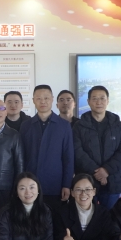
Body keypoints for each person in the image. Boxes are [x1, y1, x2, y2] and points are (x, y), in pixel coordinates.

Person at [73, 85, 121, 210]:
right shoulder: (79, 126)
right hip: (86, 183)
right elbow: (77, 152)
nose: (99, 102)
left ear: (108, 101)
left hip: (112, 181)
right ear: (88, 101)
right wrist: (97, 172)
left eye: (102, 98)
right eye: (94, 98)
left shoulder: (118, 125)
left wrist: (106, 170)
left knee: (110, 218)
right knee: (87, 217)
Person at [20, 85, 74, 214]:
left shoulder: (64, 125)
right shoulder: (26, 126)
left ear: (52, 99)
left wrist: (66, 185)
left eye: (46, 98)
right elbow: (21, 157)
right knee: (31, 220)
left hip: (55, 185)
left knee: (54, 220)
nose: (42, 101)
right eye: (38, 98)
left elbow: (68, 157)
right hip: (30, 186)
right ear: (33, 100)